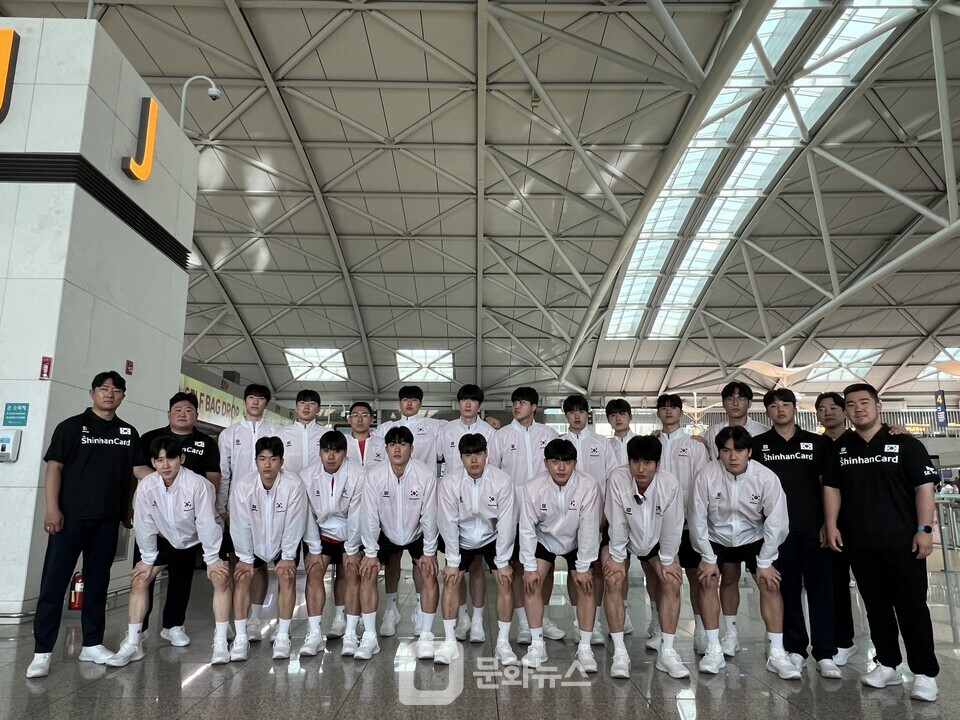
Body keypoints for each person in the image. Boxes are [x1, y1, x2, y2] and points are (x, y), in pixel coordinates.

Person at [824, 383, 940, 702]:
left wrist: (925, 529)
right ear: (846, 411)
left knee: (911, 607)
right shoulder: (841, 448)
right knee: (876, 608)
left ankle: (925, 673)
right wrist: (831, 525)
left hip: (903, 542)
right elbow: (832, 488)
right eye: (851, 404)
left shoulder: (905, 443)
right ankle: (888, 664)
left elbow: (924, 487)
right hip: (861, 543)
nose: (858, 408)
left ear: (878, 405)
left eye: (864, 402)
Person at [27, 371, 142, 679]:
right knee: (53, 584)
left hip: (107, 520)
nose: (109, 394)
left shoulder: (128, 433)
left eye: (116, 390)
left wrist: (128, 508)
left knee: (98, 583)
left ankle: (92, 643)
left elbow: (133, 474)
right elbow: (54, 468)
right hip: (70, 518)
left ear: (123, 396)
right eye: (103, 388)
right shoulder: (70, 427)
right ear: (92, 392)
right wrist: (52, 509)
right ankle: (42, 652)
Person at [106, 437, 231, 667]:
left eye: (171, 458)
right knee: (140, 579)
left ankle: (221, 642)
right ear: (153, 462)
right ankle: (133, 642)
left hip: (200, 537)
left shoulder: (198, 484)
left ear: (181, 458)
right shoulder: (147, 486)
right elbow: (144, 523)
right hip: (166, 538)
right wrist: (147, 558)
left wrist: (212, 558)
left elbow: (206, 523)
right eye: (159, 460)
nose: (165, 465)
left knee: (220, 577)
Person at [690, 426, 797, 680]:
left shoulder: (765, 477)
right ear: (719, 453)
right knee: (708, 580)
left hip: (753, 535)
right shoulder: (706, 475)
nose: (732, 456)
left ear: (749, 451)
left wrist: (765, 561)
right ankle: (715, 648)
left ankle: (777, 652)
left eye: (739, 450)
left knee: (770, 583)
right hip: (717, 536)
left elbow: (778, 521)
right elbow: (696, 518)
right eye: (726, 451)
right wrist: (707, 557)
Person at [755, 389, 841, 679]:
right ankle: (795, 649)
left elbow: (828, 486)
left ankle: (826, 653)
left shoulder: (817, 443)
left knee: (822, 592)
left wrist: (828, 523)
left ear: (795, 408)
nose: (780, 410)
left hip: (814, 529)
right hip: (777, 533)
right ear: (767, 412)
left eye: (785, 404)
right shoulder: (759, 446)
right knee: (787, 591)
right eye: (774, 406)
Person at [132, 391, 221, 648]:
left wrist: (205, 504)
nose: (183, 414)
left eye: (189, 410)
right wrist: (164, 483)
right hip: (157, 517)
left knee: (181, 576)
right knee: (144, 572)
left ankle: (173, 625)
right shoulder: (150, 438)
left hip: (188, 521)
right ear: (169, 413)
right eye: (178, 410)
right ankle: (138, 629)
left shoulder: (206, 442)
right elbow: (137, 469)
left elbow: (213, 476)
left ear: (196, 415)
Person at [603, 436, 687, 679]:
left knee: (672, 580)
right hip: (623, 537)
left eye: (648, 463)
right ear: (628, 461)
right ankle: (620, 652)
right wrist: (617, 557)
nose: (641, 469)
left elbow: (673, 526)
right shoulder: (617, 479)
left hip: (656, 538)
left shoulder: (669, 484)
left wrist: (668, 560)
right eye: (635, 462)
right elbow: (616, 520)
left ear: (658, 464)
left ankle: (667, 652)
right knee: (613, 578)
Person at [356, 426, 439, 661]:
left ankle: (426, 634)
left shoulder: (425, 475)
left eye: (402, 444)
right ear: (386, 449)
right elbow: (369, 516)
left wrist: (429, 552)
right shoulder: (374, 476)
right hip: (386, 531)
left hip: (417, 530)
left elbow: (430, 515)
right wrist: (370, 553)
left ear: (411, 448)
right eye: (392, 444)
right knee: (368, 572)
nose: (397, 449)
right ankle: (370, 636)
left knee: (428, 571)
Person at [518, 439, 601, 671]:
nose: (561, 467)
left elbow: (589, 527)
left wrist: (583, 567)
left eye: (567, 462)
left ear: (575, 463)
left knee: (586, 585)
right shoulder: (533, 487)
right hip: (544, 538)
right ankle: (537, 646)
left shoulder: (588, 485)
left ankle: (585, 648)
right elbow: (526, 528)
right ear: (545, 463)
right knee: (532, 583)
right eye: (555, 461)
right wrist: (529, 566)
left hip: (577, 539)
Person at [436, 434, 517, 666]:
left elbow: (507, 521)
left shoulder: (501, 480)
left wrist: (503, 561)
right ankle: (450, 642)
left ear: (486, 454)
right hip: (461, 536)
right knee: (451, 580)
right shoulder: (450, 482)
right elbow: (447, 522)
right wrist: (453, 561)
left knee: (504, 581)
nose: (474, 460)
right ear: (460, 457)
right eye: (468, 455)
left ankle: (503, 643)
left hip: (492, 535)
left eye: (478, 454)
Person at [700, 381, 768, 653]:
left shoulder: (763, 432)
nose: (735, 403)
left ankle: (776, 640)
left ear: (750, 403)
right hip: (722, 517)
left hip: (755, 518)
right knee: (727, 577)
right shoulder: (711, 433)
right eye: (730, 398)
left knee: (768, 581)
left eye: (741, 398)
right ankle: (730, 634)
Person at [489, 386, 560, 643]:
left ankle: (544, 619)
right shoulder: (501, 436)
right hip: (515, 513)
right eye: (514, 402)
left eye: (522, 402)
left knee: (547, 568)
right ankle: (522, 624)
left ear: (534, 407)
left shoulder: (549, 434)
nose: (517, 406)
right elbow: (493, 475)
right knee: (520, 568)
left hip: (546, 512)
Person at [374, 386, 445, 634]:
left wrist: (489, 423)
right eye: (405, 399)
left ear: (420, 403)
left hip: (421, 499)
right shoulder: (384, 429)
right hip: (392, 502)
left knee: (421, 563)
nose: (410, 403)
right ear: (399, 402)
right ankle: (391, 610)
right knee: (392, 558)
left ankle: (419, 610)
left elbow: (461, 430)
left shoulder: (434, 427)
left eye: (414, 400)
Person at [228, 437, 307, 661]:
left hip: (283, 540)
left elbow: (295, 521)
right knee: (242, 577)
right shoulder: (244, 486)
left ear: (281, 461)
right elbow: (240, 523)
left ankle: (282, 635)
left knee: (286, 575)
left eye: (273, 459)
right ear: (255, 461)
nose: (267, 465)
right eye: (262, 459)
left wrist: (288, 556)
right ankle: (241, 637)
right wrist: (245, 557)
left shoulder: (293, 484)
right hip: (252, 539)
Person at [216, 384, 280, 641]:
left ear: (266, 403)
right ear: (244, 401)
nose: (255, 402)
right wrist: (222, 507)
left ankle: (254, 619)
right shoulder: (229, 434)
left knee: (261, 563)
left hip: (267, 507)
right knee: (237, 565)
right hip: (237, 508)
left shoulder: (275, 432)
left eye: (260, 398)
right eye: (251, 397)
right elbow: (224, 473)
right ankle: (235, 619)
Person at [438, 384, 497, 642]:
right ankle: (462, 617)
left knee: (477, 568)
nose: (468, 404)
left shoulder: (490, 432)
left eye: (473, 400)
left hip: (483, 506)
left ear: (479, 405)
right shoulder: (446, 430)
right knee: (456, 569)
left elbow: (496, 466)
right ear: (458, 403)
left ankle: (478, 621)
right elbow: (436, 459)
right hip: (454, 505)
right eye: (464, 400)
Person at [300, 431, 365, 657]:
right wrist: (314, 548)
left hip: (350, 532)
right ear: (319, 452)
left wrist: (352, 548)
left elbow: (357, 514)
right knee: (314, 572)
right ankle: (314, 634)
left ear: (345, 453)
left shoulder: (358, 474)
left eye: (336, 451)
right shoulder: (306, 475)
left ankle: (350, 631)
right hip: (320, 532)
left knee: (351, 572)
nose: (331, 456)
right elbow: (306, 514)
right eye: (326, 451)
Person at [653, 394, 709, 654]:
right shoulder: (651, 444)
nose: (668, 411)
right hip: (657, 524)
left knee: (696, 577)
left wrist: (692, 514)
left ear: (680, 412)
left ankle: (701, 630)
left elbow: (701, 483)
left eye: (673, 407)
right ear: (658, 413)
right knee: (659, 578)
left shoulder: (694, 446)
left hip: (688, 524)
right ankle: (659, 627)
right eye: (663, 408)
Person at [561, 394, 618, 644]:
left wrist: (606, 511)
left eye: (581, 411)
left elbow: (613, 479)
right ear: (566, 416)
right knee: (575, 570)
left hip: (598, 518)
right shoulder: (559, 443)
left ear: (588, 414)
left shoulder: (601, 443)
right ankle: (579, 621)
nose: (577, 416)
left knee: (596, 570)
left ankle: (594, 622)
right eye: (572, 412)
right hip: (569, 518)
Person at [815, 391, 858, 667]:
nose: (827, 412)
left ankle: (886, 653)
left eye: (833, 407)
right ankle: (843, 640)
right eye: (821, 409)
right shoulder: (815, 445)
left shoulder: (859, 441)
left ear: (845, 412)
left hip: (861, 524)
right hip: (828, 527)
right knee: (834, 584)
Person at [278, 389, 331, 475]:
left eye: (312, 403)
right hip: (289, 482)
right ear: (296, 407)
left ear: (318, 409)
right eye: (302, 403)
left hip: (319, 482)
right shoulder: (281, 434)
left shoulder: (327, 434)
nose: (306, 407)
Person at [345, 401, 386, 468]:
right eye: (355, 415)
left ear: (371, 419)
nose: (360, 419)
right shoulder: (342, 444)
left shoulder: (383, 445)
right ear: (349, 419)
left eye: (365, 415)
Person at [605, 398, 635, 467]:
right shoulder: (606, 446)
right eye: (613, 415)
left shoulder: (642, 443)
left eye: (622, 414)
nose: (618, 419)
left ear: (630, 417)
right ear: (608, 420)